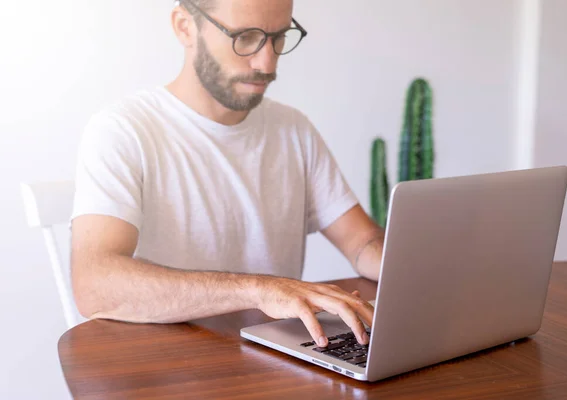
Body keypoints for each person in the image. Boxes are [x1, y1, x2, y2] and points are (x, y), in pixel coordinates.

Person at [70, 0, 384, 349]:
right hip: (163, 363)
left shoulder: (293, 129)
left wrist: (426, 268)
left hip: (275, 357)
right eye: (245, 37)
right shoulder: (124, 131)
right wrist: (261, 290)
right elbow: (94, 283)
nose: (267, 62)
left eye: (278, 37)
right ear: (185, 27)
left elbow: (362, 243)